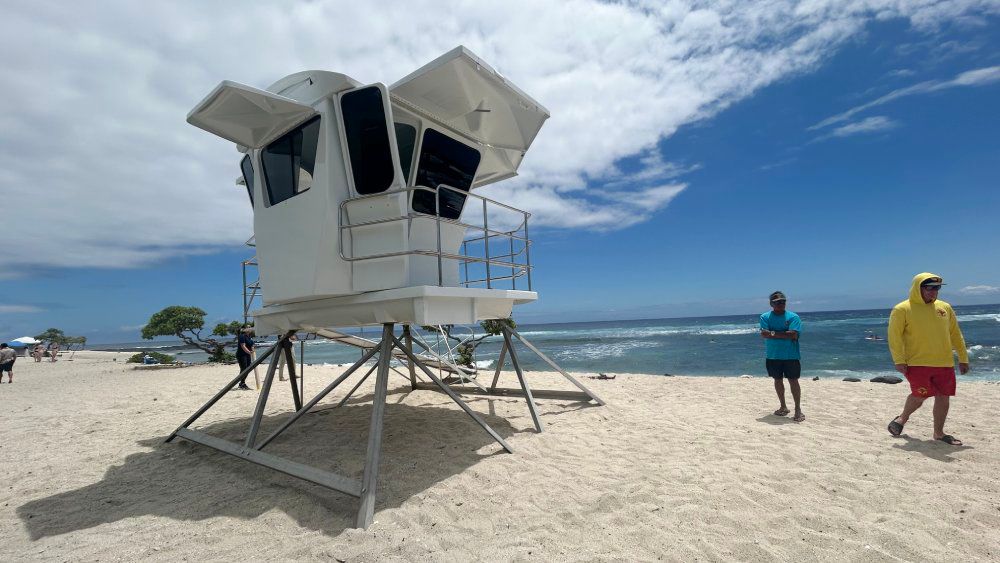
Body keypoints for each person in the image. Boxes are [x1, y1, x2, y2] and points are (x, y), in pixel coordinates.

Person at [886, 273, 969, 445]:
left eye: (937, 288)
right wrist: (899, 360)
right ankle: (902, 418)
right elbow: (894, 337)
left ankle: (938, 433)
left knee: (943, 397)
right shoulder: (902, 309)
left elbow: (956, 334)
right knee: (920, 395)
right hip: (917, 363)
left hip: (945, 362)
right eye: (929, 288)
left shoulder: (945, 307)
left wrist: (963, 358)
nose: (934, 291)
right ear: (918, 288)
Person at [760, 291, 804, 422]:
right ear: (771, 304)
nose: (781, 304)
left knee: (793, 381)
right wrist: (784, 333)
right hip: (773, 355)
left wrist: (772, 333)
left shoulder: (793, 317)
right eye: (778, 302)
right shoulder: (765, 317)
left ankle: (798, 409)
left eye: (783, 301)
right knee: (777, 380)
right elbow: (764, 334)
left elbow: (793, 334)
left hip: (791, 355)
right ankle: (783, 406)